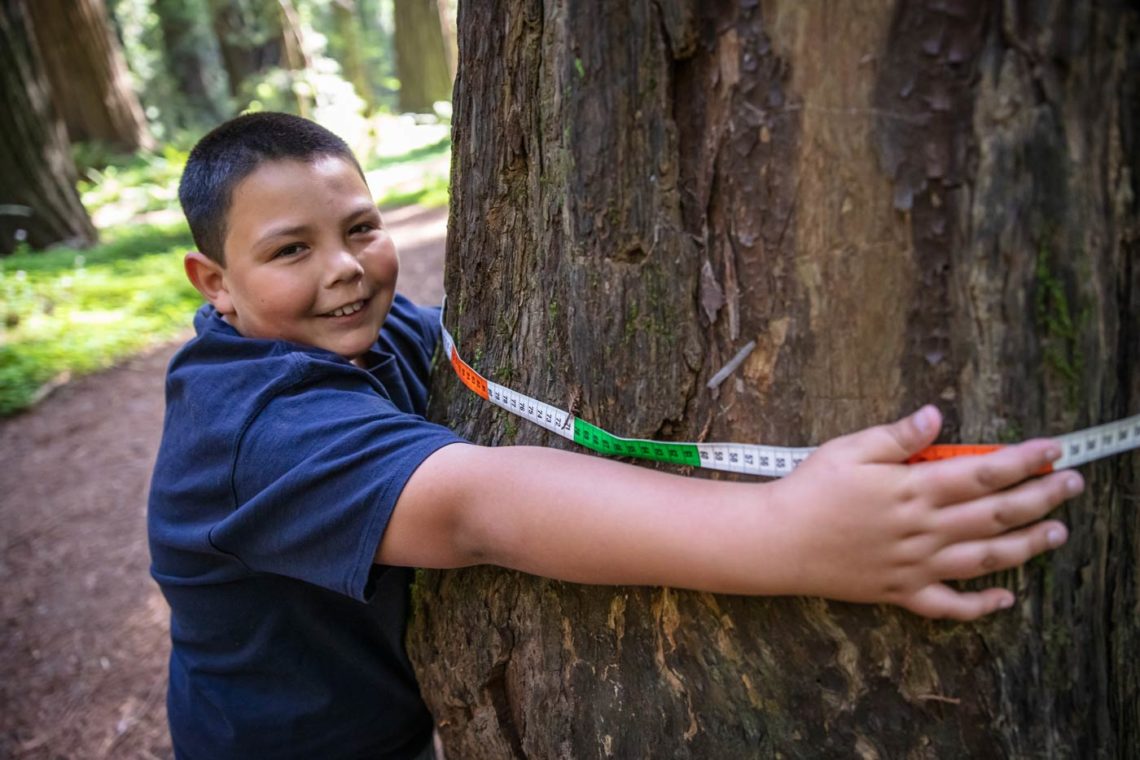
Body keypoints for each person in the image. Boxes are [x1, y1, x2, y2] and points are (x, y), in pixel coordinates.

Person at [148, 112, 1082, 759]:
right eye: (290, 250)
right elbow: (478, 503)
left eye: (361, 228)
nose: (346, 269)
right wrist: (789, 533)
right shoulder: (250, 428)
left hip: (386, 715)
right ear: (214, 283)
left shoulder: (368, 329)